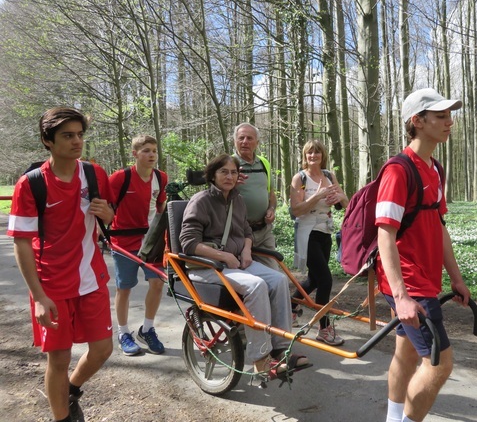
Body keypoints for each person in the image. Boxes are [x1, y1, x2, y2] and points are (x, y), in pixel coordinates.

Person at [8, 107, 114, 422]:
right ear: (48, 141)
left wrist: (108, 216)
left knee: (102, 349)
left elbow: (110, 217)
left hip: (91, 277)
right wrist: (39, 296)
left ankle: (71, 389)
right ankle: (62, 418)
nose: (76, 141)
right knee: (59, 358)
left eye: (80, 134)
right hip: (51, 284)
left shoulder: (95, 174)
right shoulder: (31, 184)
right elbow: (21, 243)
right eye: (67, 136)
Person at [376, 88, 471, 422]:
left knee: (405, 355)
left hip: (425, 279)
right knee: (439, 363)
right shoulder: (398, 170)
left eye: (449, 115)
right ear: (417, 121)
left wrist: (456, 278)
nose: (449, 122)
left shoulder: (436, 168)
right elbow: (384, 233)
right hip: (407, 281)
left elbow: (438, 225)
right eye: (441, 116)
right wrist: (401, 296)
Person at [179, 154, 309, 377]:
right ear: (212, 175)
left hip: (236, 263)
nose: (229, 176)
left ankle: (281, 349)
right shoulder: (201, 201)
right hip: (207, 267)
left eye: (233, 172)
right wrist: (222, 256)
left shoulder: (237, 199)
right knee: (257, 285)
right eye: (224, 172)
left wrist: (247, 249)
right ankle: (261, 360)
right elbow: (188, 243)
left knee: (278, 280)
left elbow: (246, 231)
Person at [109, 135, 168, 356]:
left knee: (157, 284)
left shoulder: (161, 178)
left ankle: (147, 329)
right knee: (124, 288)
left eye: (154, 150)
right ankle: (123, 332)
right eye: (146, 150)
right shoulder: (119, 178)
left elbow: (161, 207)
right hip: (123, 241)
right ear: (135, 154)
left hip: (151, 241)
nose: (151, 154)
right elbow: (106, 207)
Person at [289, 139, 349, 346]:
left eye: (316, 153)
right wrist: (318, 196)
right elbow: (296, 210)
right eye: (309, 153)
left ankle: (290, 308)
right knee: (325, 280)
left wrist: (339, 197)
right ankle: (324, 328)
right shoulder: (300, 178)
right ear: (304, 156)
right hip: (307, 232)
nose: (313, 156)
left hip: (325, 231)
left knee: (314, 279)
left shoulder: (329, 175)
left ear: (322, 155)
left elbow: (344, 202)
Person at [232, 122, 279, 270]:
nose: (245, 142)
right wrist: (231, 185)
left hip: (263, 231)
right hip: (238, 233)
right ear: (235, 141)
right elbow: (214, 197)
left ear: (257, 143)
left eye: (249, 138)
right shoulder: (228, 165)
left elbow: (271, 194)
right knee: (243, 275)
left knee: (274, 273)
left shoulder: (264, 163)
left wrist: (271, 209)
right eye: (241, 138)